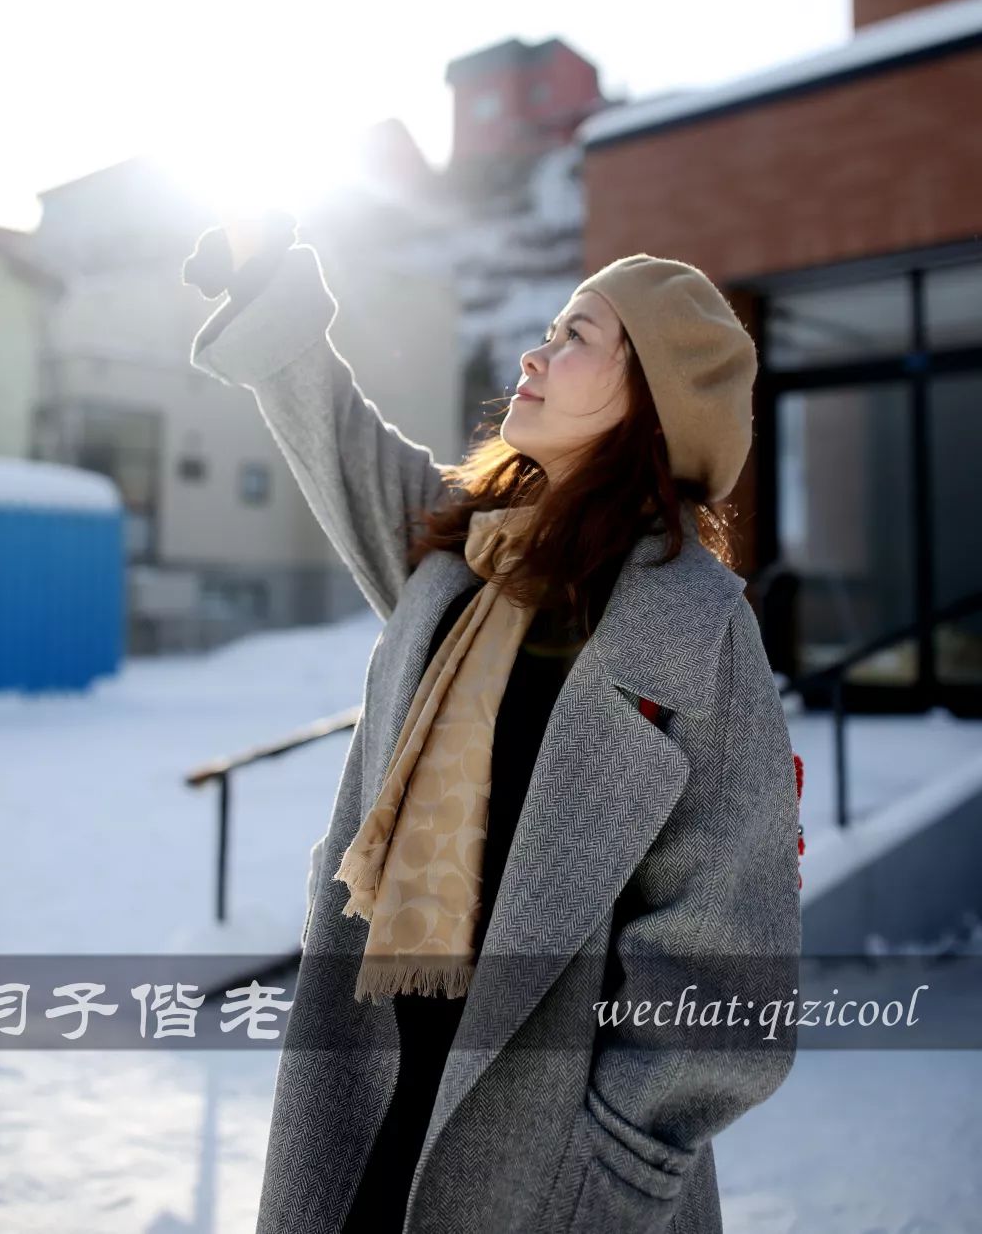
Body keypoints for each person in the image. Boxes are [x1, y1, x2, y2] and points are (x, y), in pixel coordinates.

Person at [182, 213, 801, 1234]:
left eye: (577, 337)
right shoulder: (464, 557)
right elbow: (338, 438)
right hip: (378, 1089)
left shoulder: (697, 629)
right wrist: (268, 288)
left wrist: (606, 1168)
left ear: (650, 397)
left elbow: (726, 951)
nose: (535, 352)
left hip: (546, 1159)